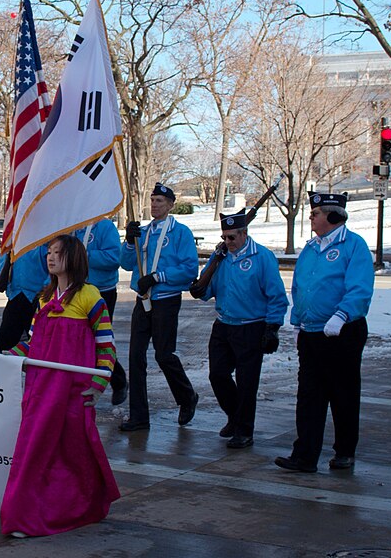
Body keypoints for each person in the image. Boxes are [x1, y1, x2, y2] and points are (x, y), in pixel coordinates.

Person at [1, 235, 119, 537]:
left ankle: (82, 504)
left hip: (74, 393)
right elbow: (33, 342)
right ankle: (24, 515)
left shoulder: (90, 297)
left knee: (74, 454)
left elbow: (107, 346)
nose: (50, 257)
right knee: (35, 450)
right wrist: (6, 359)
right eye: (49, 252)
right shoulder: (43, 297)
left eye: (57, 252)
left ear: (74, 258)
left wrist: (98, 384)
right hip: (40, 390)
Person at [275, 191, 374, 473]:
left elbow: (360, 288)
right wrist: (297, 321)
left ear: (332, 216)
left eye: (315, 214)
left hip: (342, 331)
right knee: (309, 395)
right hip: (311, 332)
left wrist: (342, 314)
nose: (311, 218)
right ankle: (304, 455)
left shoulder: (353, 246)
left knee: (342, 393)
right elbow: (300, 288)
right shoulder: (311, 248)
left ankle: (344, 451)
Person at [194, 209, 288, 449]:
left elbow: (276, 295)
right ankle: (234, 416)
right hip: (224, 325)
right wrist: (200, 287)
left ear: (244, 234)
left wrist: (272, 326)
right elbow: (206, 289)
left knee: (247, 382)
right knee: (217, 375)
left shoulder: (262, 257)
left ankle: (244, 430)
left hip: (251, 326)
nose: (227, 242)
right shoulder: (221, 258)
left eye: (232, 238)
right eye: (224, 237)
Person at [119, 183, 200, 431]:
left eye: (160, 201)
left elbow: (189, 269)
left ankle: (187, 397)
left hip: (166, 300)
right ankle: (139, 416)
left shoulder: (180, 233)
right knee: (135, 357)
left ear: (171, 205)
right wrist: (130, 242)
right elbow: (125, 263)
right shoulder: (144, 232)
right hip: (143, 300)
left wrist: (158, 277)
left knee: (163, 355)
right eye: (153, 200)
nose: (155, 205)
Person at [73, 218, 128, 405]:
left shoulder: (105, 227)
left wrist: (84, 255)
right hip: (76, 290)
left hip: (101, 293)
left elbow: (114, 258)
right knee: (78, 340)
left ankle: (118, 381)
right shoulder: (73, 226)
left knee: (99, 341)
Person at [0, 245, 49, 353]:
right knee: (6, 334)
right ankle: (6, 359)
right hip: (14, 296)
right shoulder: (12, 247)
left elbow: (52, 268)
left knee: (36, 336)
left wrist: (47, 284)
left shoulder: (41, 246)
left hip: (36, 298)